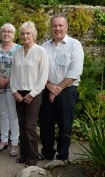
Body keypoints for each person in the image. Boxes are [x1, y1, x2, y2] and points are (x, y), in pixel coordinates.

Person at [39, 14, 84, 161]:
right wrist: (49, 87)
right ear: (51, 27)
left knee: (65, 125)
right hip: (46, 89)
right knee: (46, 123)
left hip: (67, 90)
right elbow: (38, 70)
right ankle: (47, 153)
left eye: (60, 25)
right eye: (54, 25)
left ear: (66, 27)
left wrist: (57, 89)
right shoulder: (43, 47)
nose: (57, 28)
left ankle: (62, 156)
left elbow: (75, 72)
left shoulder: (75, 45)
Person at [10, 21, 49, 167]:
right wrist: (14, 92)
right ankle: (24, 154)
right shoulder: (18, 52)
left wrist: (32, 94)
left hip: (34, 93)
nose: (25, 36)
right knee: (22, 125)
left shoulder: (40, 51)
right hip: (19, 94)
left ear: (34, 35)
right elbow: (12, 74)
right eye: (23, 33)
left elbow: (43, 76)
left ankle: (32, 159)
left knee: (30, 126)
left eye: (28, 33)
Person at [0, 23, 21, 157]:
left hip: (13, 86)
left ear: (14, 34)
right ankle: (4, 140)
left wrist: (8, 79)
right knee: (2, 113)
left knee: (13, 114)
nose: (6, 34)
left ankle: (14, 143)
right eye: (4, 31)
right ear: (0, 34)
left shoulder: (19, 49)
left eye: (9, 31)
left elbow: (21, 68)